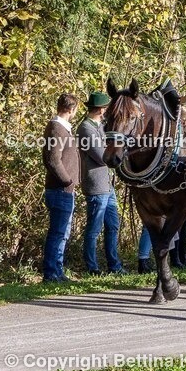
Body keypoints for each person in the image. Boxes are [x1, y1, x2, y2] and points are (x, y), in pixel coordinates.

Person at [77, 91, 126, 275]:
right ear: (100, 109)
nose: (108, 110)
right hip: (96, 184)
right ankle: (92, 267)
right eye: (106, 107)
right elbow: (102, 156)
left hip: (107, 185)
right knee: (94, 228)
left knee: (113, 225)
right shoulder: (86, 129)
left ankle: (114, 265)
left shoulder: (100, 126)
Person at [42, 93, 81, 282]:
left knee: (63, 233)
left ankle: (57, 270)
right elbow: (52, 160)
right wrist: (67, 181)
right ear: (72, 110)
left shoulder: (62, 128)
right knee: (57, 232)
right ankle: (50, 273)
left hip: (64, 190)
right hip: (59, 190)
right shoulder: (57, 128)